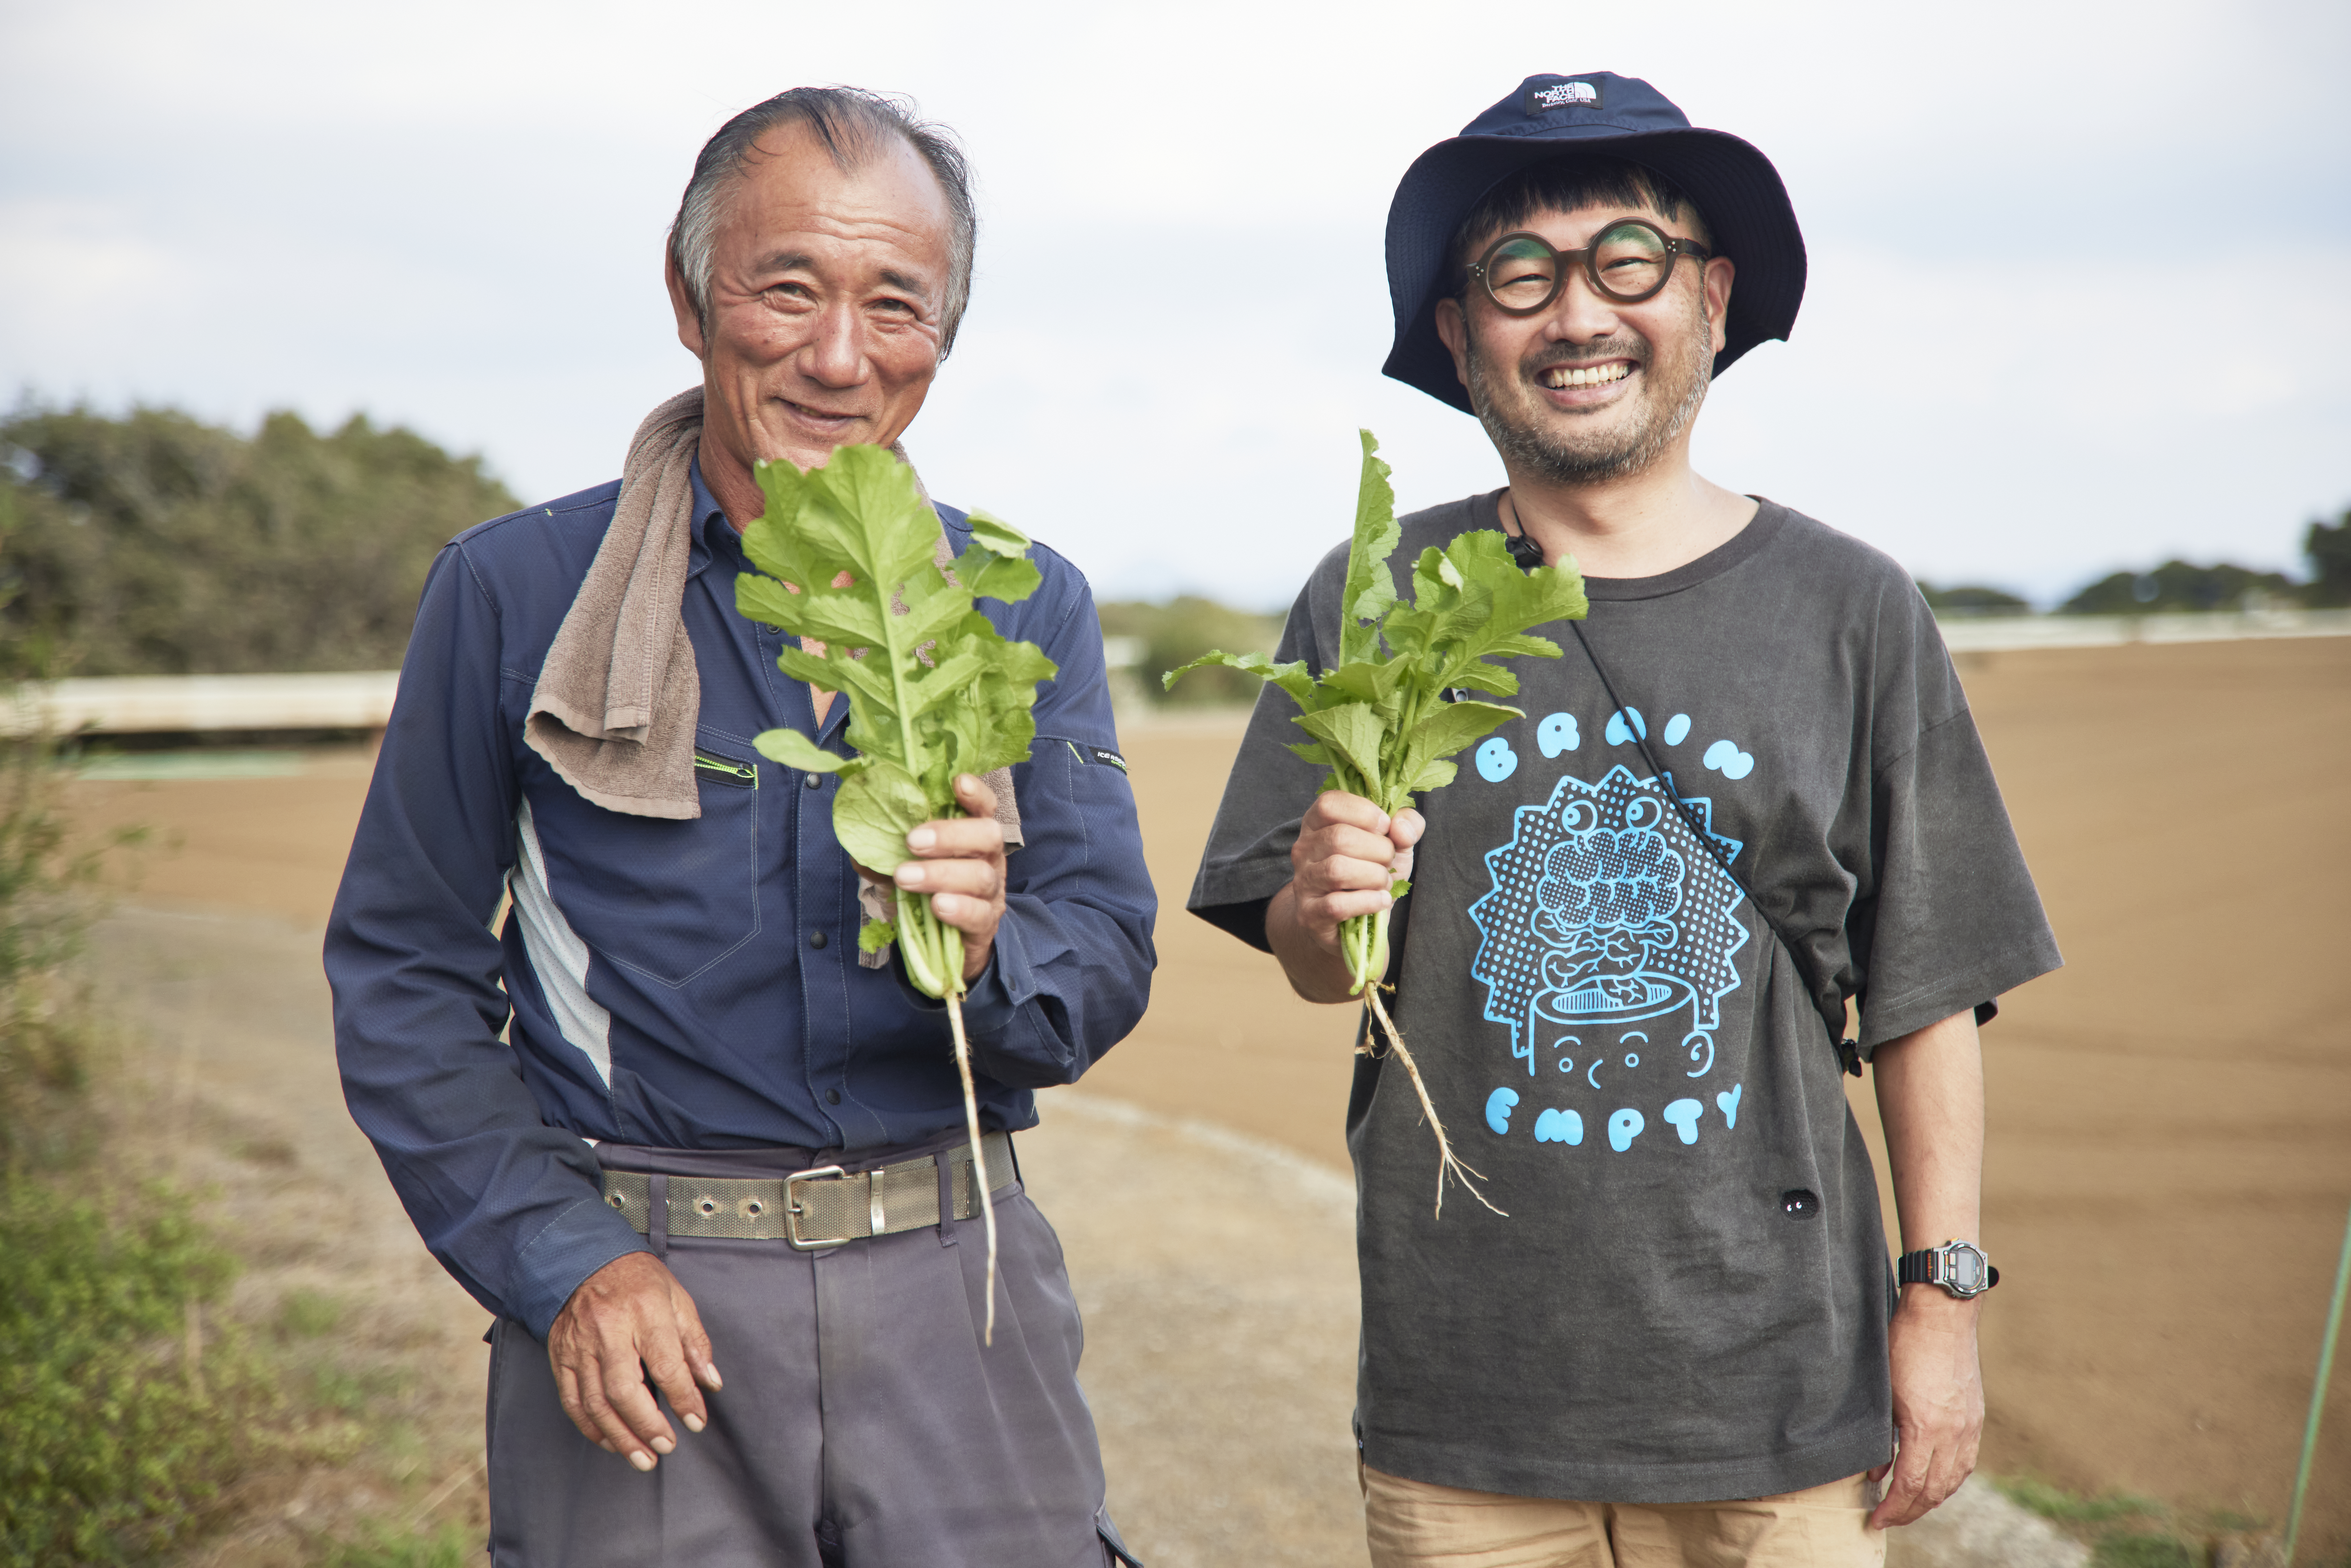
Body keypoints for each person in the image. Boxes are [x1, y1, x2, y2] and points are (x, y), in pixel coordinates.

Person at [1188, 72, 2061, 1566]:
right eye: (1519, 273)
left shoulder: (1849, 610)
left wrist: (1944, 1304)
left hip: (1778, 1400)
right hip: (1469, 1399)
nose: (1577, 314)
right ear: (1462, 332)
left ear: (1711, 298)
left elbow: (1925, 991)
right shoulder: (1377, 596)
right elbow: (1326, 967)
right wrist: (1320, 905)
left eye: (1628, 261)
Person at [326, 87, 1152, 1568]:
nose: (841, 356)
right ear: (690, 294)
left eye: (897, 305)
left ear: (943, 334)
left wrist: (983, 952)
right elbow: (403, 976)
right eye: (790, 289)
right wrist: (565, 1264)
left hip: (958, 1291)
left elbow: (1097, 965)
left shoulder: (1027, 602)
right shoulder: (516, 594)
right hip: (644, 1300)